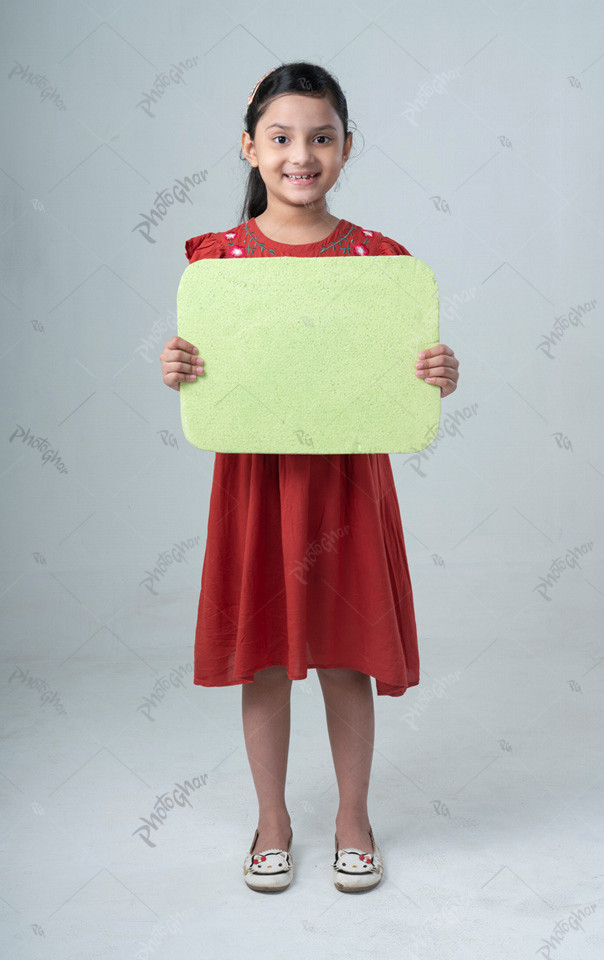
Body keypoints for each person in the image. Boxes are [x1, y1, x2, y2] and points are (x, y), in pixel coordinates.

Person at [160, 61, 460, 893]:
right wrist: (183, 364)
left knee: (345, 654)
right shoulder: (218, 261)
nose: (302, 155)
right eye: (283, 138)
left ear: (347, 148)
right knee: (261, 656)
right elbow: (213, 366)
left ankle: (353, 818)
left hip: (345, 487)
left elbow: (402, 367)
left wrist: (436, 369)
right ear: (250, 148)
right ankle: (272, 820)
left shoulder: (378, 261)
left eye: (321, 138)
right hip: (257, 486)